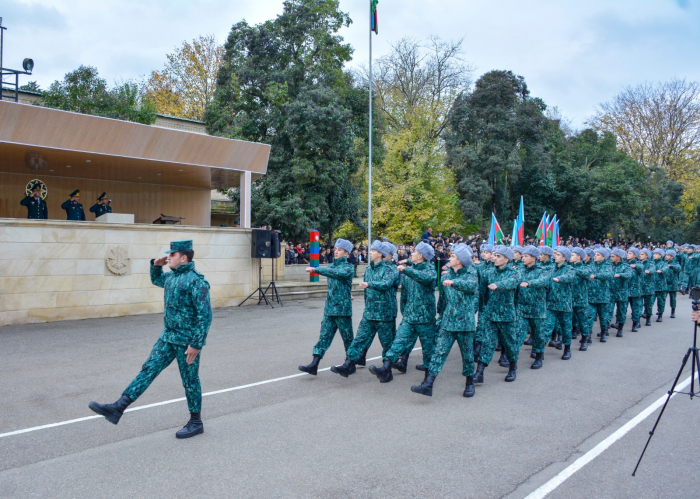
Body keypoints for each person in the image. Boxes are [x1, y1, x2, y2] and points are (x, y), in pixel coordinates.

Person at [88, 240, 212, 439]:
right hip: (168, 337)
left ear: (183, 258)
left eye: (172, 255)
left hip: (187, 342)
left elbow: (204, 316)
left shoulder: (196, 281)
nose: (168, 257)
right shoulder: (172, 277)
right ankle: (118, 407)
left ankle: (196, 421)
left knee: (190, 381)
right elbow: (156, 280)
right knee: (148, 369)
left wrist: (196, 344)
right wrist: (156, 265)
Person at [411, 244, 478, 397]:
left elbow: (471, 286)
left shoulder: (470, 273)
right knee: (438, 353)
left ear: (460, 261)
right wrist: (440, 316)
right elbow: (443, 300)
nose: (450, 258)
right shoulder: (446, 276)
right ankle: (428, 384)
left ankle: (469, 383)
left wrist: (455, 283)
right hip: (447, 322)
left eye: (453, 256)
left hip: (465, 324)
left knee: (467, 356)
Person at [368, 241, 437, 383]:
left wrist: (407, 270)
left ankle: (428, 382)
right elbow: (404, 295)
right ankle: (385, 368)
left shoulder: (429, 270)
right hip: (410, 317)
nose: (412, 254)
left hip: (425, 319)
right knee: (398, 343)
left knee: (428, 350)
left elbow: (426, 278)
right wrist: (405, 311)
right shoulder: (407, 272)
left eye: (415, 252)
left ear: (422, 256)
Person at [331, 241, 396, 379]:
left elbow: (386, 284)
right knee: (359, 340)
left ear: (380, 253)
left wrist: (370, 284)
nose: (370, 252)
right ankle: (347, 365)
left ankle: (387, 371)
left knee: (387, 344)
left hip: (384, 314)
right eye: (370, 250)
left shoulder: (390, 270)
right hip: (369, 313)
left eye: (373, 250)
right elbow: (367, 294)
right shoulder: (368, 270)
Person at [298, 239, 356, 375]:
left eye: (340, 250)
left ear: (346, 253)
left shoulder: (348, 267)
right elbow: (333, 277)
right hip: (330, 309)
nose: (336, 251)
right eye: (335, 249)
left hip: (342, 310)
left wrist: (316, 269)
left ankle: (351, 363)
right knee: (324, 337)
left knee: (348, 339)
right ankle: (314, 364)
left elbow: (336, 274)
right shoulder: (331, 265)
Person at [474, 245, 521, 383]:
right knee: (487, 343)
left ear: (506, 259)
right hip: (491, 314)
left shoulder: (514, 272)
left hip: (506, 315)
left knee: (510, 343)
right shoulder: (490, 273)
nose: (494, 258)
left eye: (498, 256)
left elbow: (512, 283)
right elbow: (483, 292)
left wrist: (498, 285)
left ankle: (512, 368)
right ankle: (480, 372)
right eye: (494, 255)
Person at [515, 246, 549, 369]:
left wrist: (530, 283)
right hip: (522, 308)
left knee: (539, 334)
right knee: (518, 334)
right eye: (522, 256)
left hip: (537, 309)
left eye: (526, 256)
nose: (523, 258)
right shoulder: (519, 270)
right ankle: (513, 361)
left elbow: (543, 281)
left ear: (533, 258)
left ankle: (539, 356)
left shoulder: (542, 270)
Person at [543, 247, 576, 359]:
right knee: (546, 328)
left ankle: (567, 349)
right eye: (555, 254)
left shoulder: (570, 269)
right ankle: (539, 353)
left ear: (564, 257)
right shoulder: (552, 269)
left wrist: (559, 279)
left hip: (564, 305)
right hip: (551, 305)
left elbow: (569, 277)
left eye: (557, 254)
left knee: (566, 329)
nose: (554, 256)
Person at [588, 248, 613, 342]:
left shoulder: (607, 265)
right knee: (589, 317)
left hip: (602, 296)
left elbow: (608, 275)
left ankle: (603, 332)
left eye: (598, 255)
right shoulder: (591, 265)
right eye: (595, 254)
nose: (595, 256)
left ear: (603, 257)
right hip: (591, 295)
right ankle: (588, 335)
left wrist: (596, 276)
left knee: (603, 316)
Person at [570, 247, 592, 350]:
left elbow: (586, 274)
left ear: (579, 257)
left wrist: (573, 269)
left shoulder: (585, 267)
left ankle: (584, 339)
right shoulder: (569, 267)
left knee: (583, 321)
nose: (570, 256)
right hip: (568, 299)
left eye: (572, 255)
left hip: (581, 299)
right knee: (566, 321)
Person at [608, 248, 633, 337]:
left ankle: (620, 328)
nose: (611, 257)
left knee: (621, 311)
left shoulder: (625, 266)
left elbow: (629, 275)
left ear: (619, 257)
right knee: (608, 310)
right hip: (610, 291)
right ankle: (605, 328)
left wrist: (620, 275)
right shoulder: (609, 265)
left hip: (621, 292)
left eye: (613, 256)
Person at [626, 247, 644, 331]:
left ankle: (635, 324)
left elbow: (640, 268)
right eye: (628, 253)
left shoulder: (639, 263)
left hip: (635, 290)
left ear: (635, 255)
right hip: (625, 290)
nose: (628, 255)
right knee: (622, 308)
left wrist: (635, 266)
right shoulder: (625, 263)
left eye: (630, 253)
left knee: (635, 308)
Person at [640, 248, 656, 326]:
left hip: (648, 287)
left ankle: (648, 318)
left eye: (642, 254)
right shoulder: (638, 263)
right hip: (639, 287)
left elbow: (653, 269)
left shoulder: (650, 263)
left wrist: (649, 271)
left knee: (648, 304)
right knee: (638, 304)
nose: (640, 255)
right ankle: (637, 321)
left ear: (647, 256)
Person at [653, 248, 670, 322]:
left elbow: (666, 268)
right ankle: (647, 314)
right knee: (650, 301)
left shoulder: (663, 263)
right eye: (654, 254)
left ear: (660, 255)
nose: (655, 255)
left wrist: (661, 271)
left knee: (661, 301)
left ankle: (660, 315)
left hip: (661, 286)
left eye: (657, 254)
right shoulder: (652, 263)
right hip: (652, 285)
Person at [665, 249, 681, 318]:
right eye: (666, 255)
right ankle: (660, 311)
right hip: (665, 283)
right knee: (662, 298)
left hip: (673, 283)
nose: (666, 256)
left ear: (672, 256)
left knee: (673, 298)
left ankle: (673, 311)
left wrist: (671, 266)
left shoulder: (675, 262)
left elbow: (678, 268)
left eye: (668, 255)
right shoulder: (664, 262)